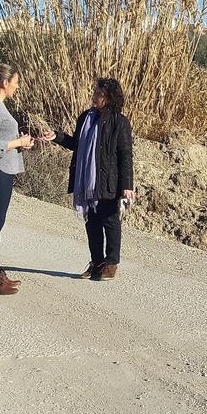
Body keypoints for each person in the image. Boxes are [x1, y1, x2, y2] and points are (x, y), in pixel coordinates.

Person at [39, 77, 135, 280]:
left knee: (110, 221)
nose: (94, 97)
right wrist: (57, 136)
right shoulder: (85, 118)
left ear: (109, 98)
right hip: (86, 181)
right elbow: (77, 143)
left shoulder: (120, 122)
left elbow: (125, 155)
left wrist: (127, 185)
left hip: (108, 179)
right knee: (92, 223)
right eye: (95, 92)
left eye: (99, 94)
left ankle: (111, 264)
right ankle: (97, 263)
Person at [0, 64, 35, 295]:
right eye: (15, 82)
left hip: (3, 168)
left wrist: (20, 142)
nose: (17, 86)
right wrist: (18, 142)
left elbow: (2, 139)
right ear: (4, 83)